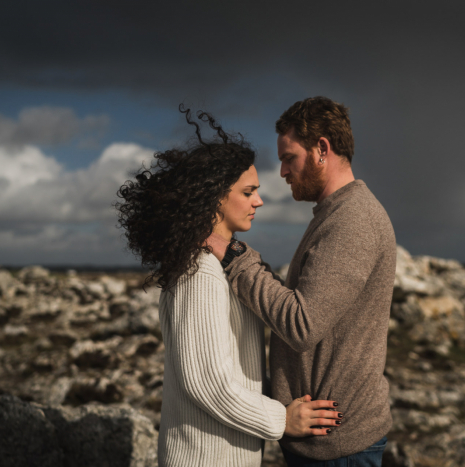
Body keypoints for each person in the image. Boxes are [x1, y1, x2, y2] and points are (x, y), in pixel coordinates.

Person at [115, 106, 342, 467]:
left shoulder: (216, 264)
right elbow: (207, 382)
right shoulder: (201, 272)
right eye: (248, 191)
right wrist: (282, 420)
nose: (259, 200)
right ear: (216, 197)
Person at [208, 96, 396, 466]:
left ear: (321, 150)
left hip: (337, 447)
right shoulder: (336, 213)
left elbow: (301, 324)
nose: (281, 171)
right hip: (325, 444)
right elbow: (308, 301)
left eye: (288, 157)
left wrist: (233, 257)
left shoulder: (352, 221)